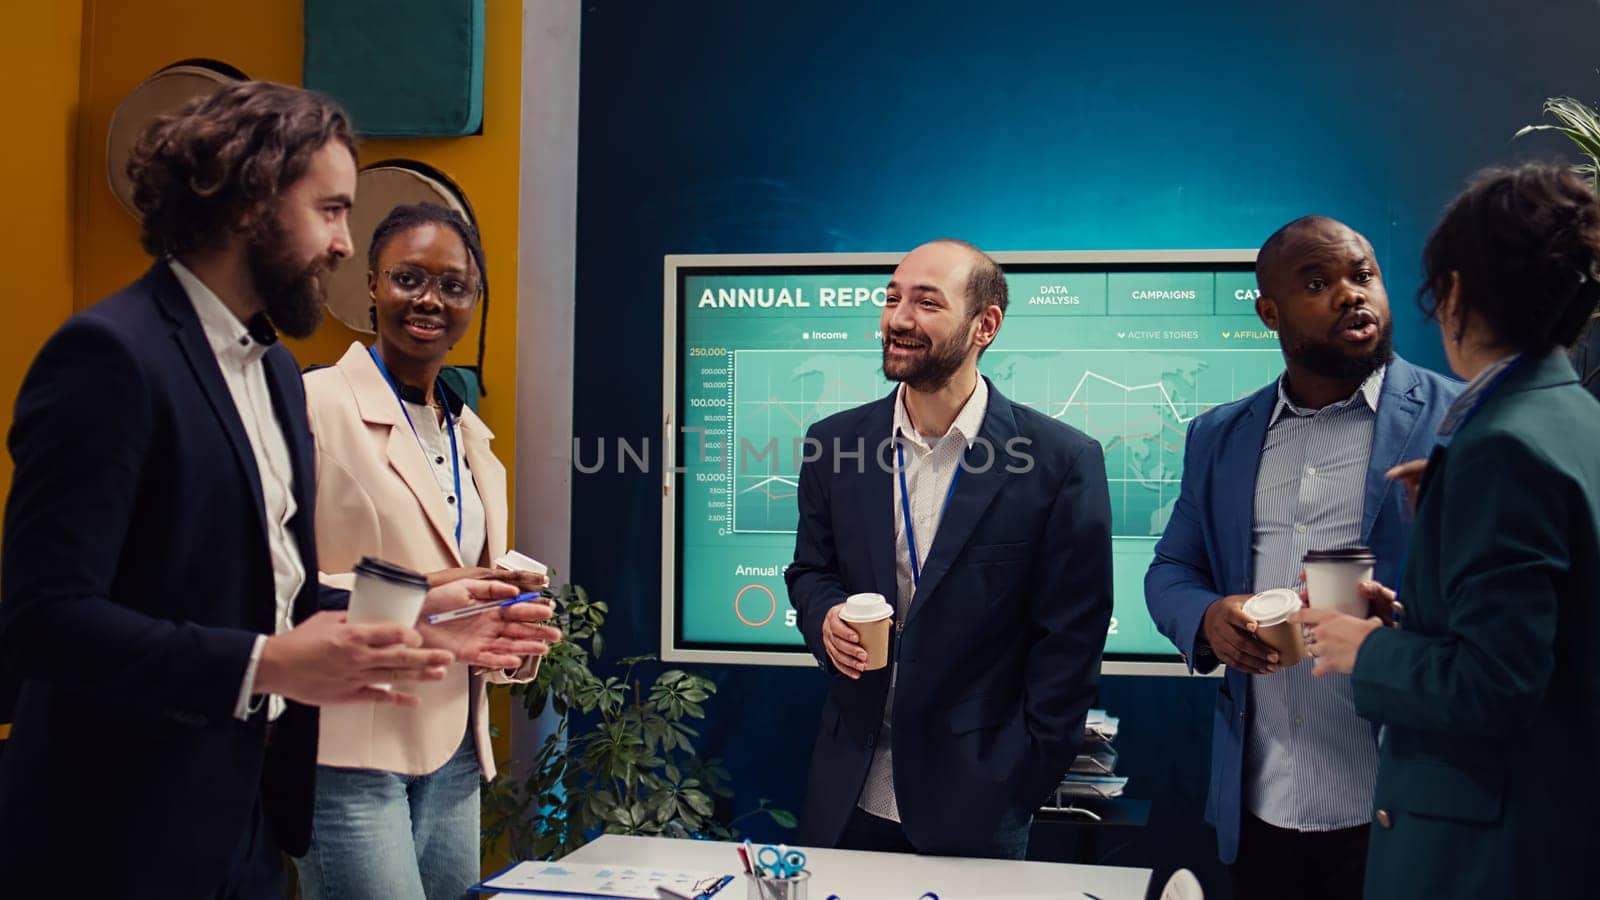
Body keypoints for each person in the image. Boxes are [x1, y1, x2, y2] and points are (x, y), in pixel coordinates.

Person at [0, 82, 540, 899]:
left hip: (245, 821)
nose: (341, 244)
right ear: (249, 202)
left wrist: (432, 622)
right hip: (114, 831)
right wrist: (264, 664)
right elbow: (41, 622)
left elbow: (273, 600)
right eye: (330, 211)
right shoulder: (110, 356)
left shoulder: (278, 376)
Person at [1297, 162, 1600, 900]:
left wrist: (1367, 649)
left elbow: (1496, 686)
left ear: (1455, 291)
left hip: (1488, 860)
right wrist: (1411, 618)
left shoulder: (1501, 447)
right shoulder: (1575, 419)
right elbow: (1553, 640)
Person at [1144, 216, 1461, 900]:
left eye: (1363, 276)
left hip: (1400, 803)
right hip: (1259, 807)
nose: (1351, 295)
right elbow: (1170, 569)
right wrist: (1208, 618)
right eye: (1318, 283)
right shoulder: (1219, 435)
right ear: (1269, 313)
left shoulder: (1456, 421)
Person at [786, 239, 1113, 859]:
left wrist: (1020, 779)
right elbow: (810, 570)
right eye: (892, 298)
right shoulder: (833, 443)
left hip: (978, 800)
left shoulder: (1061, 460)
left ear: (984, 325)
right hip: (846, 788)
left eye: (926, 303)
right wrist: (824, 613)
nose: (899, 318)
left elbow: (1071, 638)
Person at [294, 203, 558, 900]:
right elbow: (274, 583)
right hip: (348, 748)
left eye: (454, 285)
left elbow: (466, 604)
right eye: (410, 278)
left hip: (452, 755)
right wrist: (430, 590)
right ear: (373, 286)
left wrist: (511, 624)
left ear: (475, 302)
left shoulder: (472, 438)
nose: (430, 300)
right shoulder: (314, 405)